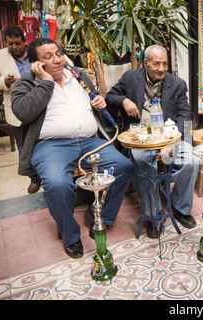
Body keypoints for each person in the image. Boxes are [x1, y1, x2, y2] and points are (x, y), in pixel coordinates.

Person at [11, 38, 134, 259]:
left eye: (58, 53)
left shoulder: (77, 75)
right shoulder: (26, 83)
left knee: (124, 166)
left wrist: (99, 102)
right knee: (57, 184)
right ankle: (70, 236)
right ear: (35, 64)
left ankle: (100, 216)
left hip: (89, 140)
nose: (57, 60)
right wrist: (46, 81)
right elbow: (24, 113)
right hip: (51, 146)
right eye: (48, 57)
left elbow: (94, 98)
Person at [106, 44, 200, 238]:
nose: (161, 68)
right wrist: (124, 100)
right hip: (141, 136)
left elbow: (185, 115)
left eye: (165, 64)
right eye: (156, 63)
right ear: (145, 63)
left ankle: (181, 207)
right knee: (144, 163)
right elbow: (110, 96)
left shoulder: (178, 84)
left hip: (171, 135)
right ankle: (153, 215)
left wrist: (171, 143)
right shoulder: (131, 78)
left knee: (192, 161)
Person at [0, 26, 41, 193]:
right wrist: (4, 81)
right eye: (10, 43)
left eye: (17, 43)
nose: (14, 47)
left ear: (24, 41)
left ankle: (46, 174)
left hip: (41, 104)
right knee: (24, 146)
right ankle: (34, 178)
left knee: (44, 141)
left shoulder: (36, 51)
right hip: (16, 108)